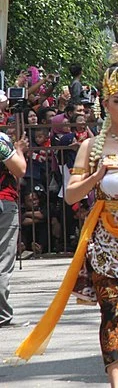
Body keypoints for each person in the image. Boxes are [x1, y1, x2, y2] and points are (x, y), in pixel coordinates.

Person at [16, 49, 118, 388]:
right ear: (105, 104)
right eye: (117, 100)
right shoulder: (90, 146)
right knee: (112, 311)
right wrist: (97, 177)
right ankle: (116, 381)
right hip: (105, 242)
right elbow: (72, 194)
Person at [0, 128, 27, 325]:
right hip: (3, 201)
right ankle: (2, 315)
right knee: (2, 261)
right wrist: (19, 150)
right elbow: (19, 170)